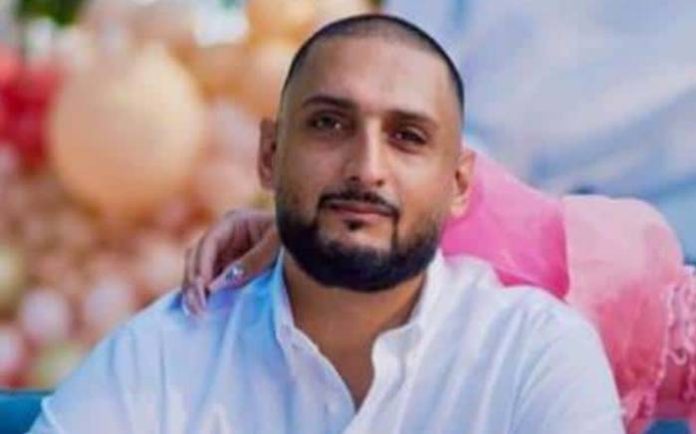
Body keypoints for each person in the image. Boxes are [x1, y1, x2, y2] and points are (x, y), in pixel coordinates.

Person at [28, 14, 624, 434]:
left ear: (460, 184)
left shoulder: (531, 354)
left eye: (407, 137)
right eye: (329, 124)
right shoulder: (164, 355)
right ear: (269, 154)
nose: (366, 168)